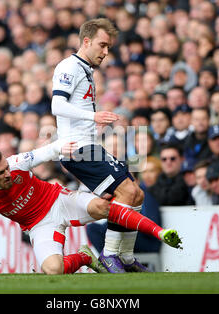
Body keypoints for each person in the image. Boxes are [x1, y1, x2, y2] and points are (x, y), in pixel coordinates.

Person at [0, 141, 181, 277]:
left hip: (58, 201)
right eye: (0, 173)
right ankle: (84, 256)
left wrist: (64, 145)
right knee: (53, 270)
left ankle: (155, 234)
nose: (8, 174)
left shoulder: (17, 162)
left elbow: (48, 151)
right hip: (38, 225)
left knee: (103, 206)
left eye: (6, 167)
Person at [50, 18, 150, 273]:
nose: (106, 53)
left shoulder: (85, 69)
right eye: (102, 45)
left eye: (109, 47)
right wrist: (92, 117)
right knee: (126, 192)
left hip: (89, 144)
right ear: (86, 41)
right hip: (76, 149)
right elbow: (57, 105)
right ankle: (109, 254)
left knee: (136, 193)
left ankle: (125, 256)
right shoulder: (69, 66)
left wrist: (94, 125)